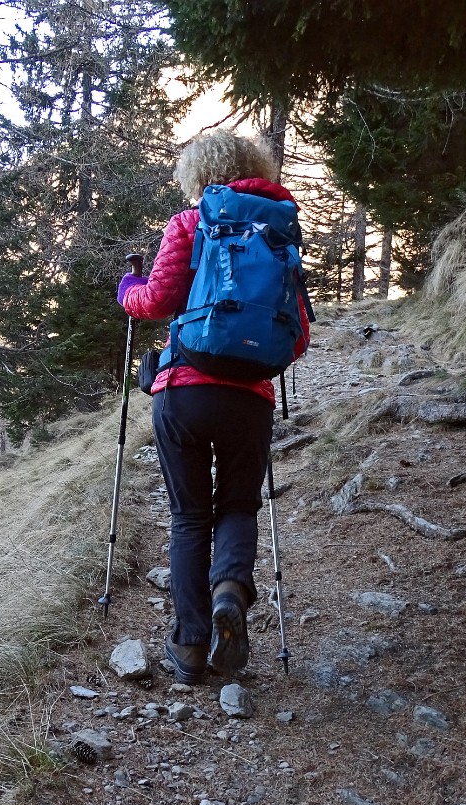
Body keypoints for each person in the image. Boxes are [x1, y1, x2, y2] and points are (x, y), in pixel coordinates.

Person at [117, 130, 310, 685]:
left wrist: (127, 286)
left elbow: (156, 300)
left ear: (195, 173)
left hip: (185, 390)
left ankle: (191, 645)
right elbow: (296, 335)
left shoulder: (190, 221)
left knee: (189, 516)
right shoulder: (279, 228)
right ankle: (230, 589)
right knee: (237, 508)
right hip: (250, 398)